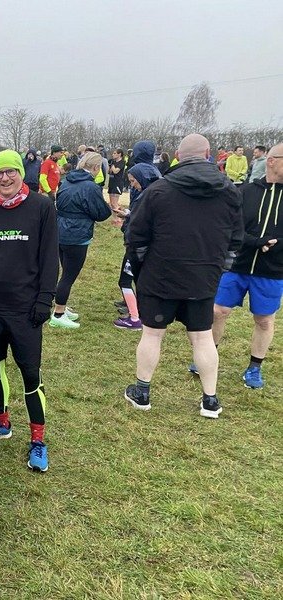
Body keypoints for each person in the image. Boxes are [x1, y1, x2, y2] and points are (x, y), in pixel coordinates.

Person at [124, 134, 243, 419]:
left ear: (178, 154)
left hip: (161, 276)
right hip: (201, 278)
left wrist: (142, 270)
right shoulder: (229, 191)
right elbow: (235, 241)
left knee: (152, 334)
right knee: (202, 338)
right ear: (207, 153)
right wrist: (217, 270)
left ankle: (142, 391)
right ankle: (210, 400)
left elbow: (135, 237)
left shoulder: (159, 190)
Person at [0, 150, 58, 472]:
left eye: (11, 172)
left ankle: (38, 439)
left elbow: (50, 258)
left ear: (21, 173)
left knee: (30, 374)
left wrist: (44, 300)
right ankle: (2, 422)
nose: (4, 178)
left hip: (25, 307)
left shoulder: (41, 207)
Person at [209, 143, 282, 390]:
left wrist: (274, 245)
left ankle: (254, 367)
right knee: (218, 311)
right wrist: (255, 242)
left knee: (264, 319)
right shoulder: (246, 191)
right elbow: (231, 226)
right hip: (237, 265)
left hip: (272, 270)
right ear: (271, 161)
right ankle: (208, 357)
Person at [50, 152, 113, 329]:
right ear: (95, 167)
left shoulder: (66, 180)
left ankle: (60, 305)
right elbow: (101, 213)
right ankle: (58, 313)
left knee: (65, 272)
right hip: (77, 235)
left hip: (60, 231)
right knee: (69, 276)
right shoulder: (90, 187)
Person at [112, 141, 161, 330]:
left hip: (138, 244)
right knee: (136, 279)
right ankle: (137, 311)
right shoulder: (150, 190)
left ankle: (135, 318)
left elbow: (144, 221)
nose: (131, 185)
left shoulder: (147, 196)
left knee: (125, 280)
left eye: (132, 182)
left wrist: (130, 222)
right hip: (138, 241)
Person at [107, 148, 127, 214]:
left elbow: (116, 171)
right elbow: (109, 172)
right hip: (111, 182)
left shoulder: (122, 162)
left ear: (119, 154)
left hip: (117, 183)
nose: (113, 155)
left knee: (114, 203)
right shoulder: (113, 161)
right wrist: (109, 166)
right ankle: (115, 219)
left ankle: (120, 217)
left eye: (115, 153)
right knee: (111, 203)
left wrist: (112, 165)